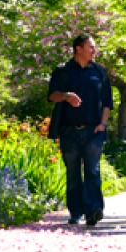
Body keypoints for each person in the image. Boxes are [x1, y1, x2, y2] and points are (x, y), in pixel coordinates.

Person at [48, 34, 113, 226]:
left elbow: (107, 102)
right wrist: (66, 95)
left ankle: (94, 210)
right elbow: (52, 95)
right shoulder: (63, 71)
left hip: (94, 130)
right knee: (73, 173)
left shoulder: (100, 72)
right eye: (91, 47)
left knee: (93, 170)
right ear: (79, 49)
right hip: (69, 131)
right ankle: (76, 212)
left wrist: (103, 124)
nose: (95, 51)